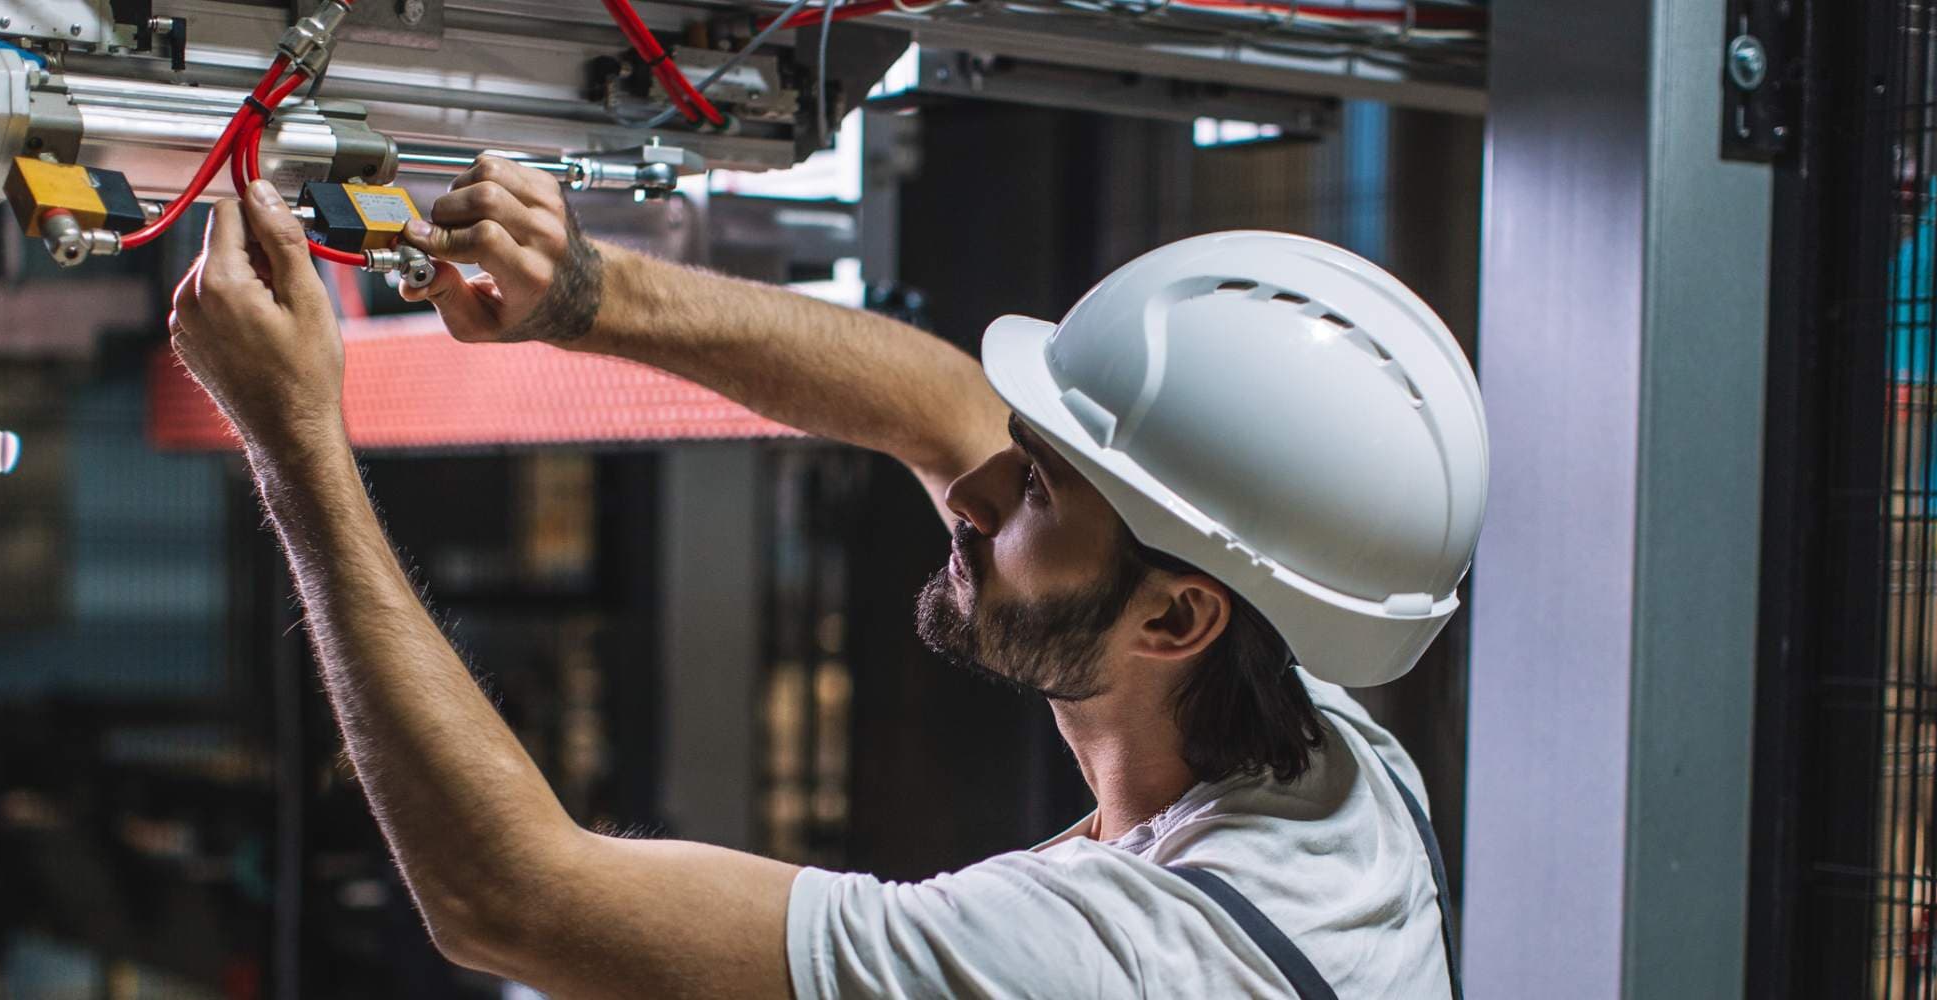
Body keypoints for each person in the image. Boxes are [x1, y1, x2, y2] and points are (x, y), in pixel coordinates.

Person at [166, 157, 1487, 999]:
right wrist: (587, 292)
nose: (971, 493)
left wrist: (291, 440)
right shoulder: (1324, 745)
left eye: (1033, 495)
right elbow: (943, 403)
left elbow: (514, 899)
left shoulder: (1099, 964)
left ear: (1177, 616)